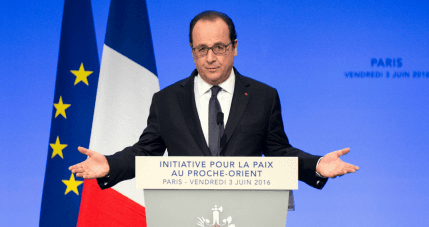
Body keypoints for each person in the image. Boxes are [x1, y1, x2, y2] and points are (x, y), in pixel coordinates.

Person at [69, 11, 358, 188]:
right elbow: (146, 153)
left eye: (219, 47)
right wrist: (110, 164)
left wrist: (317, 164)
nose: (210, 58)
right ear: (192, 51)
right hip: (184, 222)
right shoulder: (167, 100)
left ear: (235, 48)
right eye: (201, 49)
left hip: (246, 221)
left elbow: (279, 154)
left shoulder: (262, 97)